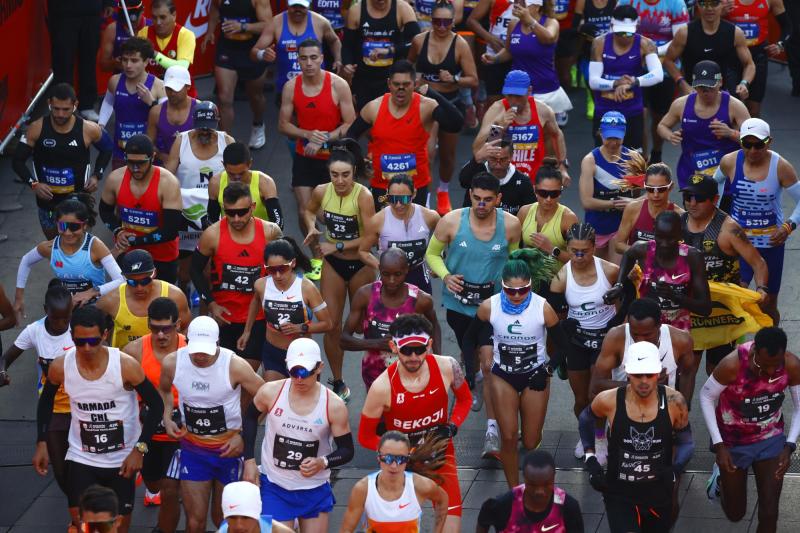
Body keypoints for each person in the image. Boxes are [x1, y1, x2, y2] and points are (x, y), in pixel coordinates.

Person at [33, 305, 164, 533]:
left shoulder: (125, 365)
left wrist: (139, 449)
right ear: (72, 337)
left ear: (105, 335)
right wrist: (41, 441)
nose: (86, 348)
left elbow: (157, 405)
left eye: (93, 341)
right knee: (82, 524)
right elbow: (46, 402)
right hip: (82, 456)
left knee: (115, 528)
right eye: (79, 342)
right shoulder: (60, 365)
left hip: (121, 460)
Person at [359, 314, 473, 533]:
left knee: (451, 525)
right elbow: (365, 437)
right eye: (406, 350)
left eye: (419, 349)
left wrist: (452, 425)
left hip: (440, 455)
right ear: (393, 347)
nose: (413, 356)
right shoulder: (382, 387)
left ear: (429, 345)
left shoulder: (448, 366)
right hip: (400, 464)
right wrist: (402, 453)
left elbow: (465, 399)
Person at [463, 251, 566, 487]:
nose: (517, 295)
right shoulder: (490, 306)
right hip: (503, 376)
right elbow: (470, 339)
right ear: (502, 286)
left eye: (523, 290)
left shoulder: (543, 308)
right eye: (510, 290)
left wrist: (547, 370)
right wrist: (471, 370)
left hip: (535, 375)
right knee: (508, 437)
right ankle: (515, 491)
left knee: (530, 441)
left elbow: (564, 347)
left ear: (530, 285)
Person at [158, 316, 265, 533]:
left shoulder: (234, 365)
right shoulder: (172, 362)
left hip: (229, 450)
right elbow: (165, 390)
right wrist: (167, 416)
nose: (199, 356)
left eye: (205, 351)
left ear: (217, 344)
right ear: (186, 342)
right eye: (195, 349)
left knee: (223, 520)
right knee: (194, 522)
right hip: (194, 449)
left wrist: (244, 435)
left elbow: (268, 399)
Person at [579, 341, 694, 533]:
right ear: (627, 372)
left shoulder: (675, 401)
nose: (644, 381)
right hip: (619, 493)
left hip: (658, 493)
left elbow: (687, 442)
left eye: (649, 375)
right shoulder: (609, 399)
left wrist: (676, 469)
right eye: (637, 375)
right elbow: (585, 420)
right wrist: (591, 458)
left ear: (659, 373)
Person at [241, 338, 354, 531]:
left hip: (314, 488)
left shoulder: (333, 405)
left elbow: (347, 450)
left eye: (305, 372)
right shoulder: (270, 392)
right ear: (287, 366)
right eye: (294, 372)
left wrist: (323, 462)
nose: (299, 379)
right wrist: (249, 460)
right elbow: (250, 418)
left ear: (319, 368)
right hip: (275, 485)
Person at [425, 173, 521, 389]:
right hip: (458, 303)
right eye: (477, 198)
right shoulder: (450, 220)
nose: (481, 204)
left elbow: (514, 261)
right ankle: (474, 373)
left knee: (486, 353)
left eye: (487, 199)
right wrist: (446, 276)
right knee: (468, 346)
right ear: (470, 195)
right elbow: (431, 254)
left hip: (493, 303)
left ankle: (487, 390)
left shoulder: (511, 225)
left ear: (498, 199)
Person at [700, 327, 800, 533]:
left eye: (776, 365)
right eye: (765, 365)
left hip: (770, 438)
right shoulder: (731, 365)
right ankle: (718, 481)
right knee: (735, 514)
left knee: (770, 512)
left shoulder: (791, 365)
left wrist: (789, 445)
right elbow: (706, 396)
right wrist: (719, 446)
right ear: (754, 351)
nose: (771, 372)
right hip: (733, 441)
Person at [302, 141, 377, 401]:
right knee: (331, 325)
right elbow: (309, 210)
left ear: (354, 172)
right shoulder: (322, 191)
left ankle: (376, 381)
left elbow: (371, 236)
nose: (340, 180)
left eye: (345, 175)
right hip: (334, 265)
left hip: (361, 265)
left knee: (368, 328)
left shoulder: (363, 196)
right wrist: (312, 226)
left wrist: (337, 245)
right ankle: (339, 381)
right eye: (335, 175)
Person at [278, 37, 355, 279]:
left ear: (322, 58)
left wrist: (324, 138)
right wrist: (307, 134)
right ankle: (317, 257)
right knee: (304, 211)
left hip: (334, 159)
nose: (309, 63)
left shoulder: (338, 85)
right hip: (304, 157)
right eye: (304, 58)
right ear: (298, 60)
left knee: (331, 212)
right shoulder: (292, 86)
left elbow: (351, 123)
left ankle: (340, 245)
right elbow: (282, 124)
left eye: (314, 57)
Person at [347, 60, 464, 211]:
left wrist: (431, 92)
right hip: (382, 186)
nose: (401, 89)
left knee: (413, 233)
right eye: (396, 84)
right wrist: (360, 165)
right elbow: (351, 136)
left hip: (415, 187)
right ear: (389, 83)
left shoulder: (426, 106)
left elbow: (456, 123)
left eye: (406, 84)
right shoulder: (374, 107)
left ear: (415, 84)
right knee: (384, 233)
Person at [714, 117, 800, 324]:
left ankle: (771, 346)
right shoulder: (729, 161)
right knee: (737, 297)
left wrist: (789, 226)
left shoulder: (781, 167)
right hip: (739, 242)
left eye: (759, 145)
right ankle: (736, 348)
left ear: (769, 142)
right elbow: (712, 184)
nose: (753, 151)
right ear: (741, 142)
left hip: (770, 244)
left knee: (768, 302)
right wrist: (718, 218)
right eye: (747, 144)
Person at [680, 174, 768, 375]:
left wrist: (761, 289)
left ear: (715, 199)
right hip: (690, 307)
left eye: (699, 198)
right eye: (688, 197)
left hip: (722, 313)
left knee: (718, 370)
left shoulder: (729, 229)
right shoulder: (679, 223)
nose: (692, 203)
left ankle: (722, 407)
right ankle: (681, 408)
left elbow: (759, 263)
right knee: (687, 367)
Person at [590, 297, 696, 464]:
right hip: (625, 411)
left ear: (659, 326)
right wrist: (639, 385)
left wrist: (684, 406)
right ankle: (600, 439)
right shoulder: (616, 337)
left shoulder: (681, 340)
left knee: (669, 471)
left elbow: (689, 373)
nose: (640, 340)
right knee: (624, 467)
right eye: (635, 334)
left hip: (663, 411)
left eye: (647, 334)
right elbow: (596, 386)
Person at [191, 181, 283, 370]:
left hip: (258, 316)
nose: (236, 218)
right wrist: (212, 304)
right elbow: (194, 270)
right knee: (224, 375)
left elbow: (285, 269)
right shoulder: (212, 234)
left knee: (246, 375)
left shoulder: (270, 232)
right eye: (230, 213)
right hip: (225, 318)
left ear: (253, 207)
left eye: (242, 212)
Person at [550, 223, 619, 459]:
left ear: (594, 248)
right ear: (568, 248)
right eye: (574, 251)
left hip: (604, 342)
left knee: (596, 394)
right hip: (578, 342)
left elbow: (623, 310)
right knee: (580, 399)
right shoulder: (561, 277)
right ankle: (585, 433)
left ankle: (600, 439)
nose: (579, 257)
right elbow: (555, 322)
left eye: (584, 251)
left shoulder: (610, 271)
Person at [12, 83, 112, 239]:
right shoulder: (36, 128)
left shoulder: (88, 129)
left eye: (66, 109)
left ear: (75, 105)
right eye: (56, 108)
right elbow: (17, 160)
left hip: (78, 202)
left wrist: (96, 175)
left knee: (78, 250)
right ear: (49, 104)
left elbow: (107, 148)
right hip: (48, 204)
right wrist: (34, 184)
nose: (60, 114)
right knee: (55, 248)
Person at [1, 283, 72, 496]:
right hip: (51, 408)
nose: (61, 324)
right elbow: (6, 357)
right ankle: (75, 507)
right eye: (55, 318)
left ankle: (80, 514)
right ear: (45, 310)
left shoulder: (80, 329)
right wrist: (2, 371)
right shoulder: (35, 330)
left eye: (66, 318)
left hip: (82, 406)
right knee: (60, 470)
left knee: (83, 466)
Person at [408, 0, 479, 214]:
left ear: (453, 22)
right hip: (425, 103)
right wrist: (415, 78)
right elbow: (406, 67)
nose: (441, 27)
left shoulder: (460, 45)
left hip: (449, 103)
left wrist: (455, 78)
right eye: (437, 21)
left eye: (446, 22)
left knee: (448, 155)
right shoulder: (419, 41)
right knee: (427, 153)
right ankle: (426, 196)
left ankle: (443, 190)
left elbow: (473, 79)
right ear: (430, 21)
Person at [122, 297, 185, 528]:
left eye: (166, 329)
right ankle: (151, 485)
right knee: (154, 485)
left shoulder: (190, 349)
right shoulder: (134, 350)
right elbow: (122, 391)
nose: (160, 335)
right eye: (155, 329)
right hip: (147, 431)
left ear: (177, 324)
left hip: (179, 433)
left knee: (170, 489)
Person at [341, 248, 441, 388]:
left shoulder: (421, 300)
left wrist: (437, 361)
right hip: (375, 373)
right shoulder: (365, 295)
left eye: (397, 274)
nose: (391, 281)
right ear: (380, 269)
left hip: (412, 373)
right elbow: (344, 340)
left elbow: (434, 326)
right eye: (386, 274)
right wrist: (378, 344)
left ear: (407, 270)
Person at [14, 195, 125, 318]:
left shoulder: (95, 246)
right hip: (68, 310)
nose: (67, 233)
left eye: (74, 227)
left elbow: (121, 280)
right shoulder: (49, 248)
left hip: (96, 310)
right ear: (56, 224)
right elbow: (26, 261)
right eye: (62, 226)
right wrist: (19, 298)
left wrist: (92, 292)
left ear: (84, 225)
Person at [239, 239, 333, 382]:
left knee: (302, 401)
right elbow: (256, 301)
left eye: (282, 269)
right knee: (274, 398)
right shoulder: (261, 285)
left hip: (302, 355)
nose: (277, 275)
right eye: (271, 270)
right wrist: (247, 331)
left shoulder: (307, 288)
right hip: (273, 352)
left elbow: (328, 324)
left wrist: (300, 327)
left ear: (293, 263)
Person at [164, 102, 235, 287]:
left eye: (209, 129)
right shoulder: (181, 140)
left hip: (215, 210)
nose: (205, 133)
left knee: (210, 265)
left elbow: (237, 176)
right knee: (185, 270)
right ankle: (185, 291)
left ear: (218, 122)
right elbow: (168, 175)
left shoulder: (226, 141)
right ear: (193, 122)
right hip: (188, 212)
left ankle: (206, 298)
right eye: (201, 129)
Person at [606, 211, 712, 330]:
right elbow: (628, 255)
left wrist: (675, 296)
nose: (664, 244)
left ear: (680, 234)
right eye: (659, 238)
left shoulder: (692, 257)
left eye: (670, 239)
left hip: (677, 331)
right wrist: (619, 284)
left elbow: (705, 308)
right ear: (654, 231)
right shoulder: (643, 249)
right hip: (644, 328)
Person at [99, 134, 183, 283]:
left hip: (162, 256)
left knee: (162, 302)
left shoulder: (168, 182)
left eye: (141, 163)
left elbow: (171, 230)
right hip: (128, 253)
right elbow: (104, 211)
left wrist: (134, 240)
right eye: (130, 162)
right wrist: (118, 231)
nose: (136, 168)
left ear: (153, 157)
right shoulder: (115, 178)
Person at [657, 60, 749, 189]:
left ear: (720, 82)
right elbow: (662, 126)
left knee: (722, 208)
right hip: (691, 171)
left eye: (710, 87)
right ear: (694, 86)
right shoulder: (681, 104)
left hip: (726, 174)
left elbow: (754, 140)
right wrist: (670, 135)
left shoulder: (734, 106)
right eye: (701, 87)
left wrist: (731, 133)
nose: (706, 92)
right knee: (693, 208)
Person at [617, 0, 689, 164]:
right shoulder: (626, 2)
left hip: (664, 69)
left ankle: (656, 152)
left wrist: (650, 51)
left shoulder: (676, 4)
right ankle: (641, 157)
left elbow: (680, 38)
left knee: (659, 117)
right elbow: (616, 31)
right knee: (639, 114)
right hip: (634, 67)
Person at [481, 0, 574, 126]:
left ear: (537, 6)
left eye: (523, 3)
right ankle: (496, 144)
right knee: (512, 132)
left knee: (549, 138)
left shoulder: (551, 23)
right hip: (517, 91)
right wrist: (495, 58)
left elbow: (549, 38)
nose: (517, 5)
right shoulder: (513, 24)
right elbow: (508, 51)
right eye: (516, 2)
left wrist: (529, 20)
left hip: (545, 91)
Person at [339, 430, 450, 533]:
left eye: (401, 459)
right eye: (388, 458)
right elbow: (346, 530)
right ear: (378, 456)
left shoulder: (421, 486)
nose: (394, 465)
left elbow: (443, 500)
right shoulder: (363, 489)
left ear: (407, 458)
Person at [587, 5, 663, 151]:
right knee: (602, 157)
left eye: (628, 34)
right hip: (604, 109)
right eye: (619, 33)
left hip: (632, 110)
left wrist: (633, 82)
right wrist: (615, 83)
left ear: (636, 26)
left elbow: (658, 75)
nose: (624, 37)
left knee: (633, 158)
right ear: (612, 26)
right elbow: (593, 81)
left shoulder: (646, 44)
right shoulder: (599, 43)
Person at [472, 69, 568, 183]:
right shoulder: (496, 110)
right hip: (504, 181)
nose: (513, 101)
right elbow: (477, 150)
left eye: (518, 96)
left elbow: (557, 135)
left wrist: (562, 167)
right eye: (510, 95)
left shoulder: (542, 110)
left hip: (535, 180)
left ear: (529, 91)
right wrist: (498, 128)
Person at [204, 0, 272, 148]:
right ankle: (225, 142)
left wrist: (242, 27)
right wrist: (210, 31)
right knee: (224, 98)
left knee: (255, 95)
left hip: (253, 50)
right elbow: (215, 10)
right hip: (227, 50)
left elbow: (268, 25)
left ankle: (258, 124)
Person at [359, 174, 441, 292]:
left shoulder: (430, 216)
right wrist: (383, 269)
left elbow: (443, 240)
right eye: (392, 199)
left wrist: (438, 262)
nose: (398, 205)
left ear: (414, 194)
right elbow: (363, 251)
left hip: (418, 275)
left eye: (404, 199)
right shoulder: (378, 220)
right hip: (389, 279)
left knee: (422, 310)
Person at [95, 250, 191, 349]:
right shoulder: (111, 300)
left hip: (163, 361)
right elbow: (92, 331)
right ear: (125, 278)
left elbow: (186, 330)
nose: (139, 288)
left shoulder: (175, 296)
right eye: (132, 282)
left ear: (154, 273)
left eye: (145, 281)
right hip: (125, 362)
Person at [250, 0, 341, 104]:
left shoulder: (320, 22)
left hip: (317, 87)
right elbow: (254, 52)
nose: (297, 10)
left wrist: (338, 59)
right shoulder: (276, 22)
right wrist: (262, 54)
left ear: (309, 5)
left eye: (301, 6)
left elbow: (334, 41)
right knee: (287, 119)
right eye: (294, 6)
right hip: (286, 87)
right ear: (287, 4)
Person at [664, 0, 756, 102]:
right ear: (697, 6)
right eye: (704, 4)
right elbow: (668, 61)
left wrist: (744, 83)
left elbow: (749, 64)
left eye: (715, 3)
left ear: (722, 5)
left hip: (722, 94)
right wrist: (683, 84)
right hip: (692, 93)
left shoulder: (735, 33)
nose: (709, 8)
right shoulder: (684, 32)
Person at [98, 37, 166, 170]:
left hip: (148, 154)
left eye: (134, 60)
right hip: (121, 152)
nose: (128, 65)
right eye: (125, 60)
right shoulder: (114, 81)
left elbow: (166, 121)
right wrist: (100, 125)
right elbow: (107, 102)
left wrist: (151, 103)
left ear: (146, 61)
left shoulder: (158, 86)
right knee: (120, 189)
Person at [476, 449, 585, 533]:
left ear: (553, 477)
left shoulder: (568, 507)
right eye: (533, 485)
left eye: (546, 484)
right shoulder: (505, 504)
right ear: (524, 479)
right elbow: (484, 518)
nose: (539, 491)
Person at [341, 0, 421, 111]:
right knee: (365, 116)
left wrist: (389, 51)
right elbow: (347, 46)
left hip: (393, 76)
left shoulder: (403, 8)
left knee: (392, 115)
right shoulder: (356, 10)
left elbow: (416, 43)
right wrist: (347, 64)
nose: (381, 1)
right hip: (364, 77)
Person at [579, 111, 634, 264]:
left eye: (617, 138)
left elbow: (646, 194)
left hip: (621, 226)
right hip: (597, 226)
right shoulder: (590, 161)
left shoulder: (633, 159)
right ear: (600, 134)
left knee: (616, 272)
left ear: (624, 134)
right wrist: (616, 204)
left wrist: (632, 203)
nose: (613, 143)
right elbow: (586, 202)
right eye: (609, 137)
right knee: (597, 273)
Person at [725, 0, 792, 117]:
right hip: (730, 56)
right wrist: (720, 12)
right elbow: (699, 19)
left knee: (753, 110)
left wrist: (780, 45)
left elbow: (787, 26)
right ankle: (733, 134)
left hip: (757, 56)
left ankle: (752, 135)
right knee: (732, 107)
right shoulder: (725, 1)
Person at [47, 0, 104, 121]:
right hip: (63, 12)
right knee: (63, 61)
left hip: (92, 11)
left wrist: (108, 3)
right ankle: (62, 105)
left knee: (89, 59)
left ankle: (87, 105)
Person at [207, 142, 283, 230]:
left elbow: (278, 223)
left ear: (250, 163)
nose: (237, 178)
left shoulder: (265, 183)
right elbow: (211, 221)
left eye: (241, 173)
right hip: (230, 238)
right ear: (223, 165)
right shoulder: (215, 183)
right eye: (231, 174)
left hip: (260, 238)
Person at [517, 158, 579, 264]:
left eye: (554, 194)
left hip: (558, 278)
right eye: (543, 193)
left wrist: (552, 250)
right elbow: (514, 249)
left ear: (560, 192)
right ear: (535, 190)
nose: (548, 199)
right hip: (528, 278)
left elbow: (579, 259)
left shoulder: (568, 218)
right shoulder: (524, 212)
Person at [613, 159, 683, 254]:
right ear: (645, 187)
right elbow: (618, 245)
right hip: (637, 267)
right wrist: (643, 254)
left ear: (670, 187)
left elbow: (686, 251)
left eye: (661, 189)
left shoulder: (680, 215)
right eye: (650, 189)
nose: (655, 195)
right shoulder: (632, 209)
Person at [458, 139, 536, 217]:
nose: (498, 165)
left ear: (511, 156)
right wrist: (477, 158)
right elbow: (463, 181)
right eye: (493, 159)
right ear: (487, 156)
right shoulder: (475, 172)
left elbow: (531, 214)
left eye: (503, 159)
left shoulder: (523, 182)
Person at [138, 0, 197, 92]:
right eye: (154, 17)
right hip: (151, 92)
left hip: (180, 94)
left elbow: (182, 67)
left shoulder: (186, 35)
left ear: (174, 15)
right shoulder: (143, 33)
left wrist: (155, 54)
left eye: (162, 17)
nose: (158, 22)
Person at [465, 0, 514, 106]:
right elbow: (471, 20)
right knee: (495, 104)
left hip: (519, 56)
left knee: (517, 101)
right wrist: (490, 38)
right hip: (494, 55)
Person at [146, 65, 196, 165]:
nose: (172, 93)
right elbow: (149, 144)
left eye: (176, 88)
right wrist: (161, 156)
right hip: (164, 165)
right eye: (168, 88)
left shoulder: (199, 109)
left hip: (193, 165)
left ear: (188, 86)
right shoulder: (155, 112)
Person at [218, 481, 294, 532]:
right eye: (232, 517)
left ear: (257, 516)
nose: (239, 526)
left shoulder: (279, 531)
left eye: (246, 517)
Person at [99, 0, 152, 73]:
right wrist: (114, 63)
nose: (129, 23)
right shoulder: (112, 29)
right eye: (125, 20)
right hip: (122, 79)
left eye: (133, 20)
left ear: (142, 10)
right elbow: (103, 66)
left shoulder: (152, 27)